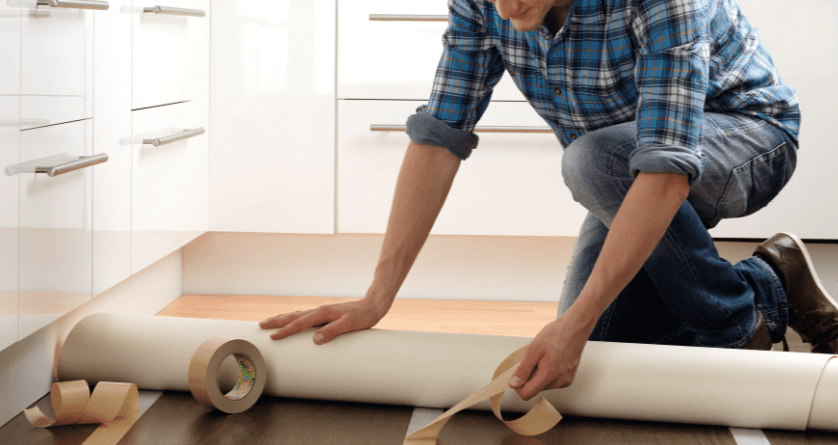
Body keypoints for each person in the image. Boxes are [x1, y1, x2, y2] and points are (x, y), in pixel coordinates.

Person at [261, 0, 838, 403]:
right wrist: (377, 297)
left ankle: (742, 322)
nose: (506, 11)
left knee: (591, 164)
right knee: (604, 350)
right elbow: (441, 133)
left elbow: (664, 166)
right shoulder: (488, 1)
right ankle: (769, 278)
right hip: (625, 166)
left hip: (746, 138)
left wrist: (576, 321)